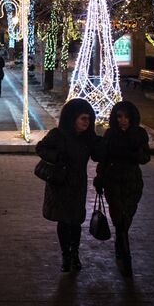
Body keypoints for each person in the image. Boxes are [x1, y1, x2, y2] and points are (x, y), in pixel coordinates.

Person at [35, 98, 99, 273]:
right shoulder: (58, 134)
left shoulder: (88, 138)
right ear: (72, 119)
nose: (87, 123)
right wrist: (57, 157)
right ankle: (66, 255)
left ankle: (74, 254)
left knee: (76, 222)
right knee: (64, 221)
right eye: (83, 119)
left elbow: (98, 154)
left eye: (88, 119)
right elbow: (40, 148)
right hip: (60, 184)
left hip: (78, 185)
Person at [93, 101, 150, 277]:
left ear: (132, 118)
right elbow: (103, 158)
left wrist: (133, 153)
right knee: (119, 218)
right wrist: (99, 179)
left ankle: (121, 245)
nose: (122, 120)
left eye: (126, 117)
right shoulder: (111, 134)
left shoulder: (139, 134)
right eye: (119, 116)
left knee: (127, 217)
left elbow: (145, 157)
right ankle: (126, 257)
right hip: (113, 181)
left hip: (132, 182)